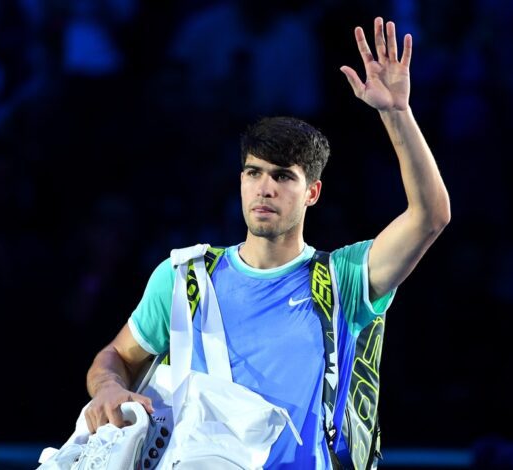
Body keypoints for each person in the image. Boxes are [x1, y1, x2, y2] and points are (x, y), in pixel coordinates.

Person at [83, 17, 450, 468]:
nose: (265, 188)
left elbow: (430, 216)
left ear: (312, 193)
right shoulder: (185, 278)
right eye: (253, 173)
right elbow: (115, 356)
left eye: (282, 177)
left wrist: (397, 113)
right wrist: (109, 387)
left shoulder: (344, 279)